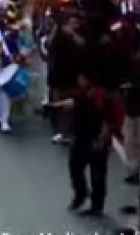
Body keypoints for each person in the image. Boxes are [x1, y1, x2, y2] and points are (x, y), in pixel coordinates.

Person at [48, 71, 113, 216]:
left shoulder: (99, 96)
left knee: (97, 174)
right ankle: (81, 194)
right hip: (81, 136)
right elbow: (73, 103)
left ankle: (96, 204)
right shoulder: (82, 93)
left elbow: (105, 118)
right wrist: (54, 106)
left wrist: (102, 138)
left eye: (82, 78)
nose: (79, 81)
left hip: (95, 138)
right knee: (75, 167)